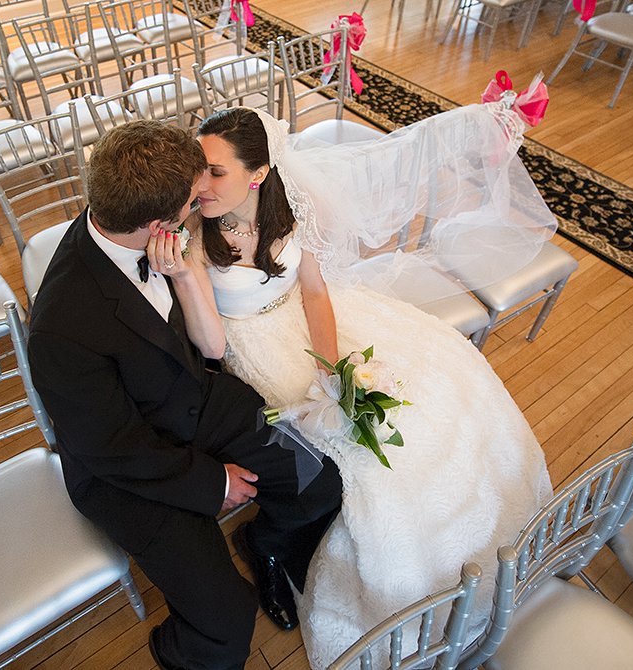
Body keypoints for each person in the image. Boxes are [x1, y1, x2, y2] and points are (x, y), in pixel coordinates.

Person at [184, 106, 555, 668]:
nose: (199, 184)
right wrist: (186, 274)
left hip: (311, 327)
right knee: (352, 459)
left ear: (258, 174)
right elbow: (211, 348)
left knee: (428, 396)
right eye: (198, 168)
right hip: (249, 344)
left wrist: (332, 370)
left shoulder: (288, 212)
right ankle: (269, 545)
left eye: (214, 171)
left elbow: (313, 293)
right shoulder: (195, 232)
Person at [27, 120, 343, 670]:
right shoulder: (60, 325)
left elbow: (209, 351)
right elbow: (108, 447)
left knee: (319, 484)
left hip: (199, 401)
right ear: (159, 222)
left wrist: (188, 281)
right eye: (194, 200)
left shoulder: (158, 236)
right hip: (130, 470)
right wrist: (210, 481)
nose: (204, 204)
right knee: (225, 626)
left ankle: (263, 543)